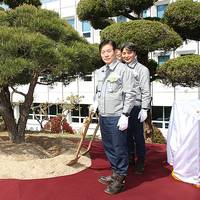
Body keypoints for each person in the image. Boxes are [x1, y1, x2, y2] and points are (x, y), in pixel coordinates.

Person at [89, 40, 136, 195]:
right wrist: (95, 102)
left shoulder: (124, 70)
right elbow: (99, 91)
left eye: (108, 51)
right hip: (104, 115)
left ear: (115, 52)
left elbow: (130, 94)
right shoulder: (101, 71)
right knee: (108, 147)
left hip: (117, 116)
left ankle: (120, 180)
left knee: (119, 148)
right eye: (103, 52)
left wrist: (125, 115)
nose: (106, 54)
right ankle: (115, 173)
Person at [121, 42, 151, 174]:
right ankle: (130, 158)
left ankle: (141, 161)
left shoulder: (142, 69)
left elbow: (146, 91)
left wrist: (145, 108)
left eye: (129, 52)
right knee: (126, 135)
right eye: (124, 53)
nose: (126, 55)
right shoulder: (121, 68)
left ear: (135, 53)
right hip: (124, 108)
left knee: (138, 136)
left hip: (137, 107)